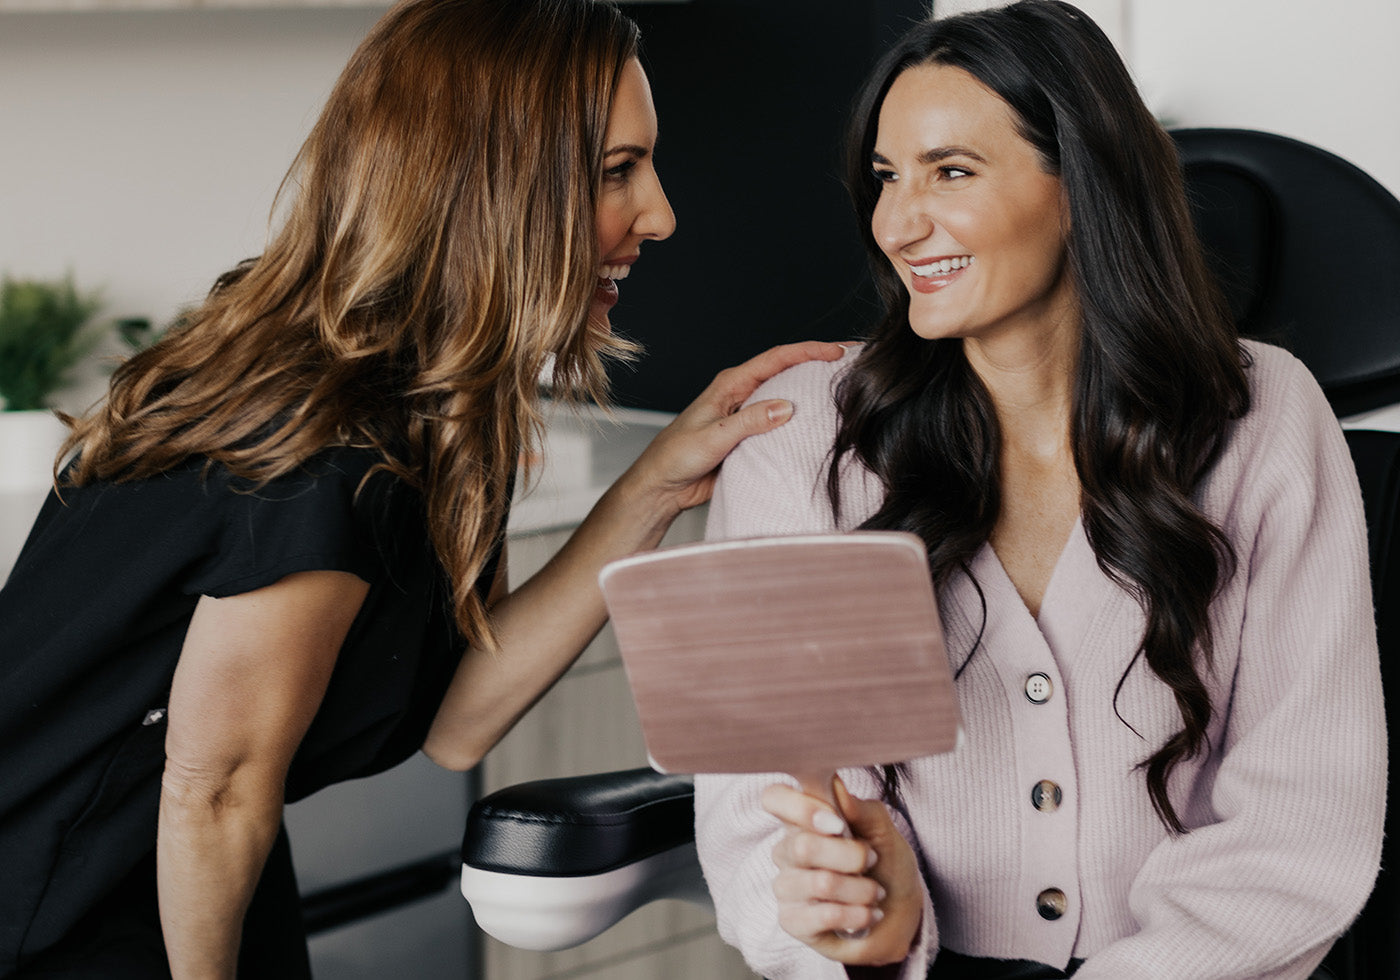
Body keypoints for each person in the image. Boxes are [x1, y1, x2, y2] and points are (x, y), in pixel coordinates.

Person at [0, 0, 844, 975]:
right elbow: (214, 787)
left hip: (178, 875)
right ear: (486, 185)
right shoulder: (325, 441)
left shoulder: (430, 400)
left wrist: (653, 485)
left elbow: (458, 719)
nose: (658, 213)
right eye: (616, 170)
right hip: (58, 911)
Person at [693, 3, 1386, 978]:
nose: (896, 220)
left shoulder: (1263, 414)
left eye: (950, 171)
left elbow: (1296, 819)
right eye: (886, 177)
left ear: (1079, 184)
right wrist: (863, 932)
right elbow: (762, 812)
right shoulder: (802, 434)